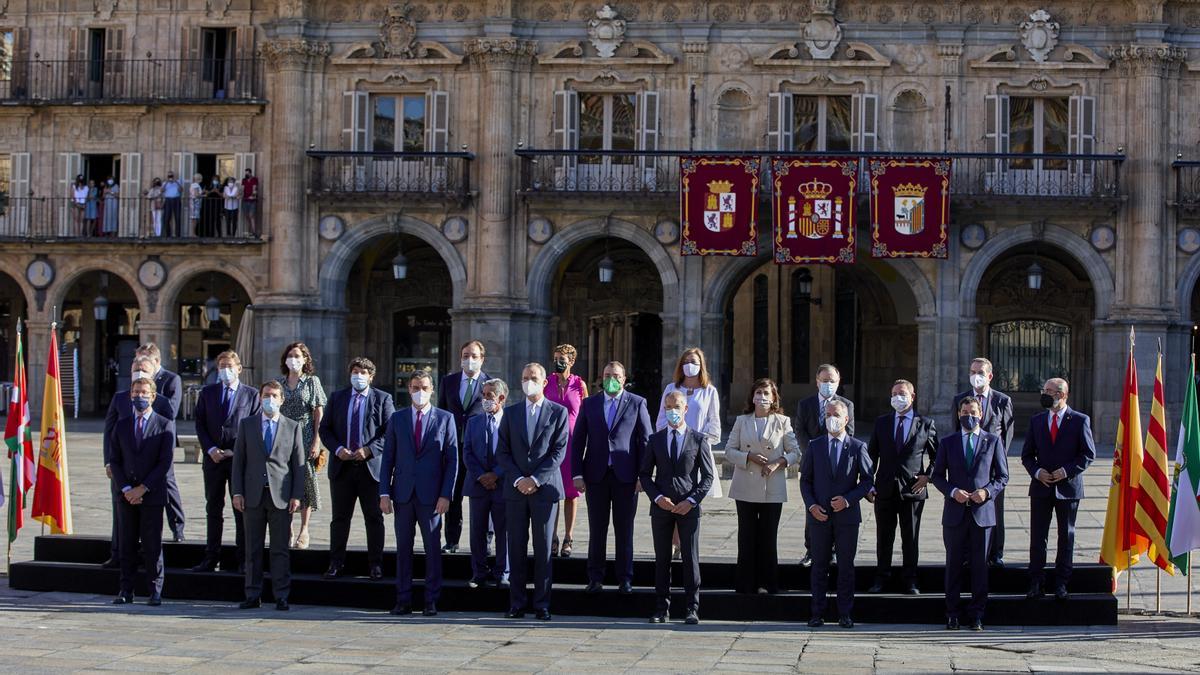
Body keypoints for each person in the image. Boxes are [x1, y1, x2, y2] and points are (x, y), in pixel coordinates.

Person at [379, 369, 458, 616]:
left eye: (424, 387)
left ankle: (431, 600)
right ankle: (403, 599)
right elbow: (388, 458)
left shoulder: (445, 419)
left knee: (433, 548)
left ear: (432, 390)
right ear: (408, 389)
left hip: (432, 496)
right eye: (415, 387)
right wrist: (384, 493)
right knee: (403, 548)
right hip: (403, 494)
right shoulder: (398, 418)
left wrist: (446, 494)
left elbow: (452, 459)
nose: (419, 392)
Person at [496, 363, 568, 621]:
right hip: (516, 491)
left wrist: (535, 479)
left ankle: (542, 603)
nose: (529, 382)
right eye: (525, 378)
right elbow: (502, 451)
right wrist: (518, 479)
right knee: (516, 547)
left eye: (534, 378)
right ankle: (517, 602)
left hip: (545, 489)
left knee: (543, 548)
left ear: (544, 381)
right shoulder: (511, 413)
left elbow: (558, 452)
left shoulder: (558, 412)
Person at [571, 360, 651, 594]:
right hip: (596, 475)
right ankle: (595, 577)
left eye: (615, 375)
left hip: (626, 476)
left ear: (624, 379)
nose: (611, 379)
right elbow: (577, 442)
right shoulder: (590, 404)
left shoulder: (637, 403)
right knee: (597, 529)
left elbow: (645, 441)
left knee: (624, 529)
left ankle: (625, 578)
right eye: (607, 375)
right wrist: (577, 474)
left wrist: (643, 476)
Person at [931, 396, 1009, 631]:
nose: (968, 415)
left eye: (973, 411)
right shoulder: (948, 442)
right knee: (953, 565)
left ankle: (977, 614)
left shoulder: (993, 441)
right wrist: (952, 491)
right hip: (955, 514)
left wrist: (987, 492)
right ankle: (952, 613)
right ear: (958, 414)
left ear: (981, 414)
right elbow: (937, 476)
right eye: (964, 411)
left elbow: (1002, 476)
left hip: (982, 514)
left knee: (979, 566)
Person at [641, 390, 714, 625]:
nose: (673, 411)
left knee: (690, 558)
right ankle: (661, 607)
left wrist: (692, 500)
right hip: (662, 507)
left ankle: (692, 607)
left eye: (677, 406)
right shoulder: (656, 439)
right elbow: (644, 475)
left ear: (686, 409)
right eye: (668, 407)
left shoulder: (699, 439)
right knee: (662, 558)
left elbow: (707, 477)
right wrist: (657, 497)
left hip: (688, 507)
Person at [319, 357, 395, 580]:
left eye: (363, 372)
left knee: (374, 518)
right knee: (339, 518)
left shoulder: (383, 399)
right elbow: (325, 430)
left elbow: (389, 432)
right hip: (342, 467)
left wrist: (370, 450)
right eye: (355, 371)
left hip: (370, 468)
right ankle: (336, 562)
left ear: (371, 376)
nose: (358, 376)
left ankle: (375, 564)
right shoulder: (337, 398)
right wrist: (337, 448)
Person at [231, 381, 305, 611]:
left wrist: (296, 495)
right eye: (266, 395)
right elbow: (238, 462)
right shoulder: (247, 425)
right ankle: (252, 593)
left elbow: (298, 465)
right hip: (252, 495)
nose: (269, 399)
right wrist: (237, 492)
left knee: (280, 548)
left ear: (282, 399)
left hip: (280, 496)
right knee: (252, 548)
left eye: (274, 396)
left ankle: (281, 594)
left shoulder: (292, 427)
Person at [800, 399, 873, 630]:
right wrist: (811, 506)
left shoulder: (858, 447)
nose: (832, 418)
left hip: (847, 518)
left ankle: (845, 613)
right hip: (819, 516)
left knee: (845, 566)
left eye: (837, 414)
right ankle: (817, 612)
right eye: (829, 414)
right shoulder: (815, 445)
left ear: (846, 419)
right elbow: (806, 481)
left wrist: (848, 499)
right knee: (819, 565)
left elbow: (868, 480)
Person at [724, 378, 800, 595]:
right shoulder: (742, 421)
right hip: (745, 486)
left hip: (772, 487)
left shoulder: (783, 422)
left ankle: (769, 583)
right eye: (759, 393)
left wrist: (778, 462)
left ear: (774, 397)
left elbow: (795, 452)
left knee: (768, 537)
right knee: (746, 536)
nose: (762, 398)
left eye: (767, 394)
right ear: (752, 396)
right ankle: (745, 584)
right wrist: (748, 456)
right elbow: (729, 450)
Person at [1022, 377, 1096, 601]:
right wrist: (1037, 472)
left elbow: (1088, 454)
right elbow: (1027, 455)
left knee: (1066, 536)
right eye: (1044, 390)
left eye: (1050, 391)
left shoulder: (1080, 420)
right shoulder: (1037, 420)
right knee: (1038, 537)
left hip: (1068, 488)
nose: (1045, 394)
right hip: (1041, 487)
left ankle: (1061, 583)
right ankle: (1036, 582)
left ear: (1062, 395)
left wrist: (1067, 471)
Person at [191, 350, 260, 573]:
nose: (225, 370)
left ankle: (243, 559)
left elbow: (254, 426)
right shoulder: (208, 393)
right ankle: (211, 557)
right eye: (221, 366)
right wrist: (210, 448)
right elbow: (200, 422)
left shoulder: (251, 395)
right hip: (213, 459)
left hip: (238, 460)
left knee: (241, 508)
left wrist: (234, 451)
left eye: (229, 365)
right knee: (213, 507)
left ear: (239, 368)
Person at [867, 379, 938, 595]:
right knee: (884, 537)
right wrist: (868, 483)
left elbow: (939, 457)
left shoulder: (925, 423)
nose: (898, 397)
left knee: (911, 538)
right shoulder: (882, 423)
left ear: (912, 396)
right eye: (895, 393)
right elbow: (871, 456)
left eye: (903, 393)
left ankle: (910, 580)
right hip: (885, 489)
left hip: (912, 489)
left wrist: (928, 476)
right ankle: (882, 578)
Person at [108, 377, 175, 607]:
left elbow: (164, 462)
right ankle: (126, 590)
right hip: (126, 495)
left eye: (144, 392)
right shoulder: (122, 424)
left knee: (152, 544)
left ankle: (155, 590)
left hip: (152, 495)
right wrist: (127, 488)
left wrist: (143, 488)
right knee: (126, 544)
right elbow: (114, 460)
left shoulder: (164, 424)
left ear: (153, 396)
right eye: (136, 392)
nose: (139, 396)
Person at [656, 347, 723, 559]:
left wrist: (699, 442)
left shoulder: (709, 391)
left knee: (692, 497)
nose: (690, 365)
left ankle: (686, 542)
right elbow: (659, 420)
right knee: (673, 495)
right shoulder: (671, 388)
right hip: (673, 449)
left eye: (694, 361)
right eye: (686, 361)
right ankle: (675, 543)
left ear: (701, 365)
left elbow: (714, 424)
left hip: (697, 450)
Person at [953, 357, 1014, 567]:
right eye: (972, 371)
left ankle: (996, 552)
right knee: (968, 510)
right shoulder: (960, 399)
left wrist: (998, 461)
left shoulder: (1002, 400)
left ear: (990, 375)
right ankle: (969, 553)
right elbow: (956, 432)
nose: (975, 376)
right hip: (968, 465)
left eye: (980, 372)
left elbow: (1007, 433)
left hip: (993, 466)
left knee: (996, 509)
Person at [794, 364, 856, 568]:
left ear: (838, 383)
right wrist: (814, 453)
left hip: (838, 465)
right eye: (824, 381)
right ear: (817, 381)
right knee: (812, 507)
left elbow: (851, 433)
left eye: (832, 381)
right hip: (813, 463)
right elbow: (800, 430)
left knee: (837, 508)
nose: (828, 385)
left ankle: (834, 551)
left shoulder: (847, 404)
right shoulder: (806, 404)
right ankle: (811, 550)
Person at [436, 339, 489, 554]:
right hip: (453, 448)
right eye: (466, 355)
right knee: (452, 495)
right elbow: (440, 413)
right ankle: (451, 540)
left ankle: (485, 542)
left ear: (482, 359)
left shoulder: (490, 383)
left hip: (479, 451)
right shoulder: (448, 381)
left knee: (482, 498)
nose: (469, 360)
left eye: (474, 356)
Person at [278, 342, 326, 550]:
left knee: (305, 479)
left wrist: (316, 439)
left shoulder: (311, 382)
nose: (294, 359)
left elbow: (318, 411)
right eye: (290, 355)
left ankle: (304, 529)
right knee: (283, 481)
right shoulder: (279, 383)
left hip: (305, 433)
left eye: (298, 355)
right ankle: (286, 528)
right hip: (283, 435)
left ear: (305, 359)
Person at [136, 342, 186, 542]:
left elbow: (171, 411)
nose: (139, 366)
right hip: (140, 438)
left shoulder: (171, 379)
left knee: (167, 482)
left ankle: (177, 527)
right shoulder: (136, 382)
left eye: (143, 361)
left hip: (162, 438)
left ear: (155, 361)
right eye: (137, 361)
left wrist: (149, 394)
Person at [463, 378, 510, 588]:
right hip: (478, 484)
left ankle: (503, 572)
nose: (485, 399)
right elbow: (468, 452)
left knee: (503, 530)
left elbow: (513, 452)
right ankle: (479, 572)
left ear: (501, 398)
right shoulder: (473, 422)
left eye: (489, 395)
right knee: (478, 530)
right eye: (483, 395)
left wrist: (496, 475)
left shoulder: (511, 421)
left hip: (502, 484)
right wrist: (481, 475)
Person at [545, 344, 587, 557]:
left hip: (573, 443)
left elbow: (586, 413)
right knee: (552, 492)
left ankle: (568, 537)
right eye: (555, 357)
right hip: (551, 444)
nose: (558, 362)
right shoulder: (547, 382)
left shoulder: (579, 384)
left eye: (562, 358)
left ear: (571, 361)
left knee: (571, 493)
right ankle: (552, 535)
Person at [161, 171, 183, 237]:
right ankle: (168, 234)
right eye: (169, 176)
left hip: (176, 199)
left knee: (177, 217)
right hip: (168, 200)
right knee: (167, 218)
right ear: (167, 177)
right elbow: (161, 190)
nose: (170, 177)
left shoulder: (178, 182)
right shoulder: (165, 183)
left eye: (171, 176)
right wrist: (167, 182)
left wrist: (175, 181)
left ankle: (177, 235)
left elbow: (181, 190)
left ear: (174, 176)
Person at [241, 168, 259, 237]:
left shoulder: (254, 179)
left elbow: (255, 189)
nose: (246, 174)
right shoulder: (244, 180)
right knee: (247, 217)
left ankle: (254, 232)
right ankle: (249, 232)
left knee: (251, 216)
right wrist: (240, 195)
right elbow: (242, 189)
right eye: (246, 173)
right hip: (245, 200)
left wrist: (253, 195)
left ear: (250, 173)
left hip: (252, 201)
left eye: (248, 173)